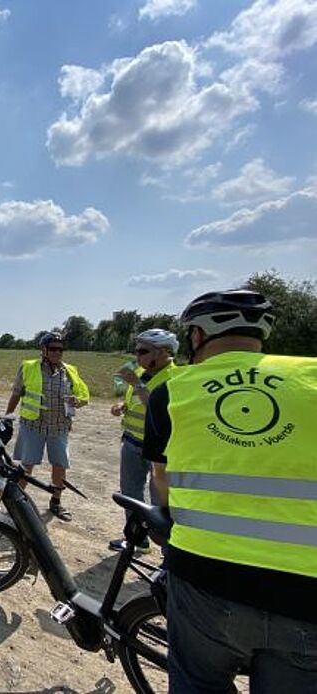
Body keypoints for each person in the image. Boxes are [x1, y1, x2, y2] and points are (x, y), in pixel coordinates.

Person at [143, 289, 317, 692]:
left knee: (196, 682)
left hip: (204, 577)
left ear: (198, 335)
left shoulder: (175, 391)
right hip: (306, 592)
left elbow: (162, 481)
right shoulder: (310, 377)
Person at [107, 328, 179, 553]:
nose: (137, 356)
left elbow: (159, 410)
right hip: (131, 441)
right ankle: (138, 540)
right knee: (131, 494)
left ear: (164, 352)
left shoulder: (176, 377)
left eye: (143, 351)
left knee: (163, 501)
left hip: (159, 450)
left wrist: (136, 384)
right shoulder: (141, 372)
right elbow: (138, 402)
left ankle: (170, 553)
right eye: (136, 351)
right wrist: (123, 406)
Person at [5, 332, 89, 521]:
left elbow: (84, 396)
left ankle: (56, 502)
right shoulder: (28, 367)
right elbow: (16, 394)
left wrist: (78, 401)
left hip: (59, 427)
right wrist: (8, 415)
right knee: (27, 465)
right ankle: (14, 503)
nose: (57, 353)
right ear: (43, 350)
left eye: (60, 349)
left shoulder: (70, 371)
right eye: (52, 349)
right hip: (33, 425)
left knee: (59, 465)